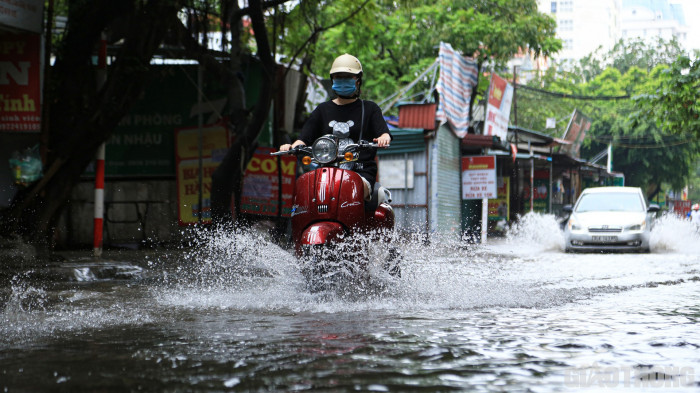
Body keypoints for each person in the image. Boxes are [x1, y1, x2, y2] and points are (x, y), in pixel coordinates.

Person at [279, 54, 392, 201]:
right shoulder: (322, 110)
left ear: (358, 81)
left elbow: (384, 133)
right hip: (326, 175)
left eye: (348, 76)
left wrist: (383, 138)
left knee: (349, 189)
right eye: (339, 77)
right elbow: (304, 139)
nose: (343, 80)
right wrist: (292, 147)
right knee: (304, 194)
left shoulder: (370, 109)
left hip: (360, 174)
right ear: (332, 79)